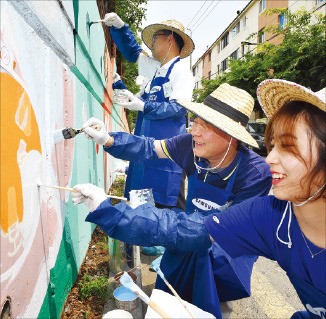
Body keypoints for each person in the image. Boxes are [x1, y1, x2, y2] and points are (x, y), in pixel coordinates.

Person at [73, 79, 325, 319]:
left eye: (206, 124)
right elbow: (149, 148)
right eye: (195, 121)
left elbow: (224, 229)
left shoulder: (255, 175)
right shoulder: (189, 146)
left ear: (231, 135)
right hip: (193, 233)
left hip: (225, 250)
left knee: (213, 300)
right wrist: (108, 139)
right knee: (171, 296)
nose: (194, 130)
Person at [104, 12, 195, 211]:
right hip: (143, 153)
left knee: (165, 213)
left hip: (166, 156)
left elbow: (179, 108)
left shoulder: (182, 73)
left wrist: (144, 106)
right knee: (141, 208)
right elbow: (133, 52)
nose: (152, 44)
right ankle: (140, 241)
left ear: (169, 39)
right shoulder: (155, 68)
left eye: (155, 39)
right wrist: (120, 28)